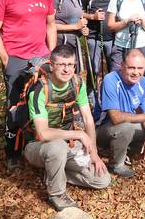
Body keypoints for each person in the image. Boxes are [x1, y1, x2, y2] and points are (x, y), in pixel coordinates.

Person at [0, 0, 57, 172]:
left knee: (43, 102)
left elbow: (50, 24)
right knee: (16, 107)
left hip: (41, 56)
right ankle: (13, 154)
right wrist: (6, 59)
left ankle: (41, 148)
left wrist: (51, 52)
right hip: (16, 58)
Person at [23, 45, 110, 211]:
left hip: (70, 144)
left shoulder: (77, 83)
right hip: (38, 146)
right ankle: (57, 194)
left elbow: (88, 119)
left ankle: (54, 171)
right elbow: (43, 133)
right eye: (61, 64)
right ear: (52, 65)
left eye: (70, 65)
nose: (66, 69)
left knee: (102, 180)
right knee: (57, 146)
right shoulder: (40, 90)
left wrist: (94, 154)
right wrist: (79, 134)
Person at [94, 50, 145, 178]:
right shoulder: (111, 79)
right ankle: (116, 164)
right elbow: (115, 118)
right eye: (131, 67)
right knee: (126, 127)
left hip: (128, 127)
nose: (136, 72)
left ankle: (125, 151)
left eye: (140, 68)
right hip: (104, 129)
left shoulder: (144, 82)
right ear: (122, 65)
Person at [80, 0, 120, 93]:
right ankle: (91, 97)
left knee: (114, 68)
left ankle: (113, 94)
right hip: (93, 37)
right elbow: (78, 12)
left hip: (112, 36)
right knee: (93, 69)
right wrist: (92, 17)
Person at [47, 0, 89, 72]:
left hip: (73, 43)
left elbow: (76, 19)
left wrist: (82, 29)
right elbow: (48, 25)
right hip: (60, 44)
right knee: (61, 77)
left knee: (73, 77)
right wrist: (75, 26)